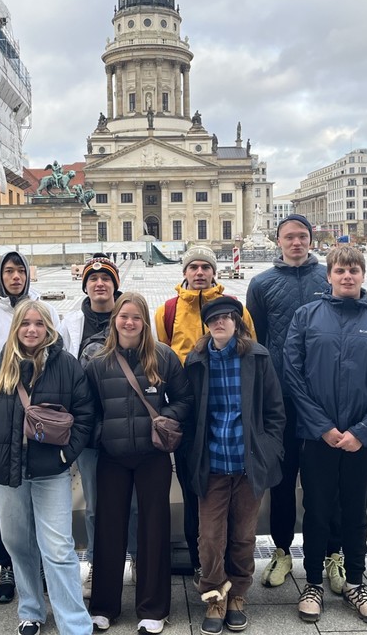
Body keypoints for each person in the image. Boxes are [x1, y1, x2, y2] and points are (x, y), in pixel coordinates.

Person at [283, 246, 367, 625]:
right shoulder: (307, 317)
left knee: (354, 513)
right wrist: (322, 427)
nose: (347, 276)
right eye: (340, 270)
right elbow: (293, 375)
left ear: (363, 275)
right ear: (329, 276)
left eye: (353, 270)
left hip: (360, 440)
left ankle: (354, 582)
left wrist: (361, 431)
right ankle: (313, 583)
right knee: (316, 511)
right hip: (318, 437)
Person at [0, 299, 95, 635]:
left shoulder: (66, 366)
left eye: (39, 324)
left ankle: (74, 623)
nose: (32, 330)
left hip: (51, 470)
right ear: (16, 328)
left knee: (58, 547)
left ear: (49, 328)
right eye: (25, 324)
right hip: (6, 473)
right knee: (18, 545)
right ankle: (31, 609)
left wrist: (67, 455)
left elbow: (85, 414)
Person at [85, 292, 192, 634]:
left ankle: (153, 607)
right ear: (114, 320)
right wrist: (103, 434)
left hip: (153, 456)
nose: (129, 323)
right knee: (108, 530)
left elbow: (184, 397)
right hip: (112, 457)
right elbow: (88, 409)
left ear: (145, 322)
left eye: (136, 317)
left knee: (154, 527)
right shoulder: (98, 362)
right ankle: (104, 606)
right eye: (123, 316)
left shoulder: (162, 357)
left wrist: (162, 419)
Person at [183, 297, 285, 635]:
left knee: (243, 535)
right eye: (214, 319)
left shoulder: (256, 357)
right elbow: (189, 412)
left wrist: (268, 450)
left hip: (247, 464)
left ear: (236, 323)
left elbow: (274, 411)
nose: (220, 323)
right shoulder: (196, 361)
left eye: (227, 318)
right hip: (211, 463)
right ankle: (214, 595)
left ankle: (237, 594)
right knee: (210, 537)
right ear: (207, 325)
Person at [154, 245, 255, 583]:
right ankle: (201, 562)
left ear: (214, 272)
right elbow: (162, 359)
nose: (199, 272)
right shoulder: (167, 311)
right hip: (189, 417)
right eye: (193, 266)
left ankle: (227, 562)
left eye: (205, 267)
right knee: (194, 489)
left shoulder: (236, 308)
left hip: (229, 416)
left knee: (231, 498)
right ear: (184, 271)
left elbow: (252, 355)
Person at [0, 251, 61, 604]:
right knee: (4, 507)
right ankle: (7, 565)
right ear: (0, 275)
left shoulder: (42, 310)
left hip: (39, 427)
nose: (15, 276)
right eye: (9, 271)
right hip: (0, 425)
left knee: (40, 505)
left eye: (20, 270)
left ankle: (39, 568)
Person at [245, 214, 333, 589]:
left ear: (310, 240)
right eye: (289, 237)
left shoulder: (329, 276)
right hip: (280, 400)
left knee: (321, 482)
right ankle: (282, 552)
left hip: (323, 398)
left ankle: (330, 552)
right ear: (278, 241)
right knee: (281, 482)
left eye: (302, 236)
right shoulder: (262, 283)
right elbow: (256, 342)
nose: (296, 243)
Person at [58, 255, 137, 598]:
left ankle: (135, 559)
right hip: (89, 429)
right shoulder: (71, 322)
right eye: (93, 279)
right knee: (94, 505)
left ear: (115, 284)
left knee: (132, 503)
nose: (99, 283)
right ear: (85, 285)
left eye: (106, 278)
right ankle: (96, 563)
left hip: (128, 425)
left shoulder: (130, 317)